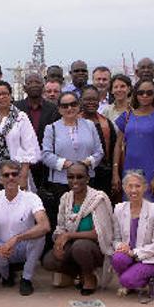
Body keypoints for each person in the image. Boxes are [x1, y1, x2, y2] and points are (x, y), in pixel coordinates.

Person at [42, 162, 114, 295]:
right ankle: (78, 274)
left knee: (80, 247)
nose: (75, 181)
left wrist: (70, 236)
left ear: (88, 178)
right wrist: (58, 242)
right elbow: (61, 227)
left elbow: (99, 234)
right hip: (73, 246)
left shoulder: (98, 199)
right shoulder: (66, 198)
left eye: (79, 177)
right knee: (49, 260)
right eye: (71, 177)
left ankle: (89, 277)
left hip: (95, 249)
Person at [41, 92, 103, 240]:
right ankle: (63, 247)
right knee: (64, 218)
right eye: (65, 105)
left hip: (87, 180)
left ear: (79, 105)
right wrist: (68, 165)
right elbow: (46, 154)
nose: (69, 108)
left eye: (73, 104)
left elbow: (99, 151)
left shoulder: (90, 125)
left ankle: (84, 247)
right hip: (61, 183)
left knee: (86, 216)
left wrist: (85, 163)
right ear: (59, 109)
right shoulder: (51, 128)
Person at [0, 160, 50, 296]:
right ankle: (7, 275)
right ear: (0, 179)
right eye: (6, 175)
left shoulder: (32, 198)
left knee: (40, 237)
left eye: (14, 174)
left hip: (24, 245)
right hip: (2, 245)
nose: (11, 178)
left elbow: (45, 226)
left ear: (20, 177)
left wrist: (17, 238)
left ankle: (26, 279)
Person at [111, 79, 154, 208]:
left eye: (149, 93)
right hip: (130, 172)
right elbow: (118, 145)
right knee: (131, 212)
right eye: (141, 92)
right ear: (135, 94)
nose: (145, 96)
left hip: (153, 171)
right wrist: (115, 172)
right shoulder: (126, 117)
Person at [111, 171, 154, 294]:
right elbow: (115, 238)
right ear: (125, 188)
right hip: (128, 256)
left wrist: (134, 253)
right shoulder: (119, 209)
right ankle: (132, 279)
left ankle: (141, 281)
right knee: (117, 258)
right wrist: (121, 246)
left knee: (127, 280)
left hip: (150, 258)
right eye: (130, 186)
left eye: (137, 186)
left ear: (145, 188)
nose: (134, 190)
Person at [15, 72, 60, 190]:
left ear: (43, 86)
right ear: (24, 88)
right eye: (30, 83)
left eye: (37, 82)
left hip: (46, 164)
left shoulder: (54, 109)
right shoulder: (15, 108)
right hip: (22, 163)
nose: (34, 85)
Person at [80, 85, 117, 197]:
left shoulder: (106, 123)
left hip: (103, 176)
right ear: (80, 100)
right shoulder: (73, 122)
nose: (91, 102)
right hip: (80, 174)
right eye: (87, 99)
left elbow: (113, 150)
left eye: (94, 99)